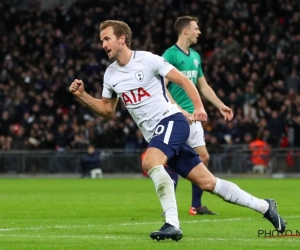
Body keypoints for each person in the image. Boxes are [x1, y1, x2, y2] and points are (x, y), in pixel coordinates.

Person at [69, 20, 286, 241]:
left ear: (122, 39)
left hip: (172, 119)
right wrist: (83, 96)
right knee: (209, 183)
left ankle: (172, 224)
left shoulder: (148, 60)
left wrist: (199, 107)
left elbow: (183, 80)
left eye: (107, 39)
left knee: (150, 162)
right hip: (158, 134)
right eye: (101, 41)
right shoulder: (110, 74)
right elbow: (107, 110)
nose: (103, 45)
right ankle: (265, 206)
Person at [162, 16, 233, 215]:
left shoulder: (195, 56)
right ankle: (170, 206)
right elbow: (162, 87)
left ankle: (196, 205)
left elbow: (203, 85)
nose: (199, 31)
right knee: (172, 158)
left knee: (203, 156)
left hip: (193, 117)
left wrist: (221, 105)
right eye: (196, 28)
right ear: (185, 31)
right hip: (177, 116)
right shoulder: (170, 55)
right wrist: (179, 109)